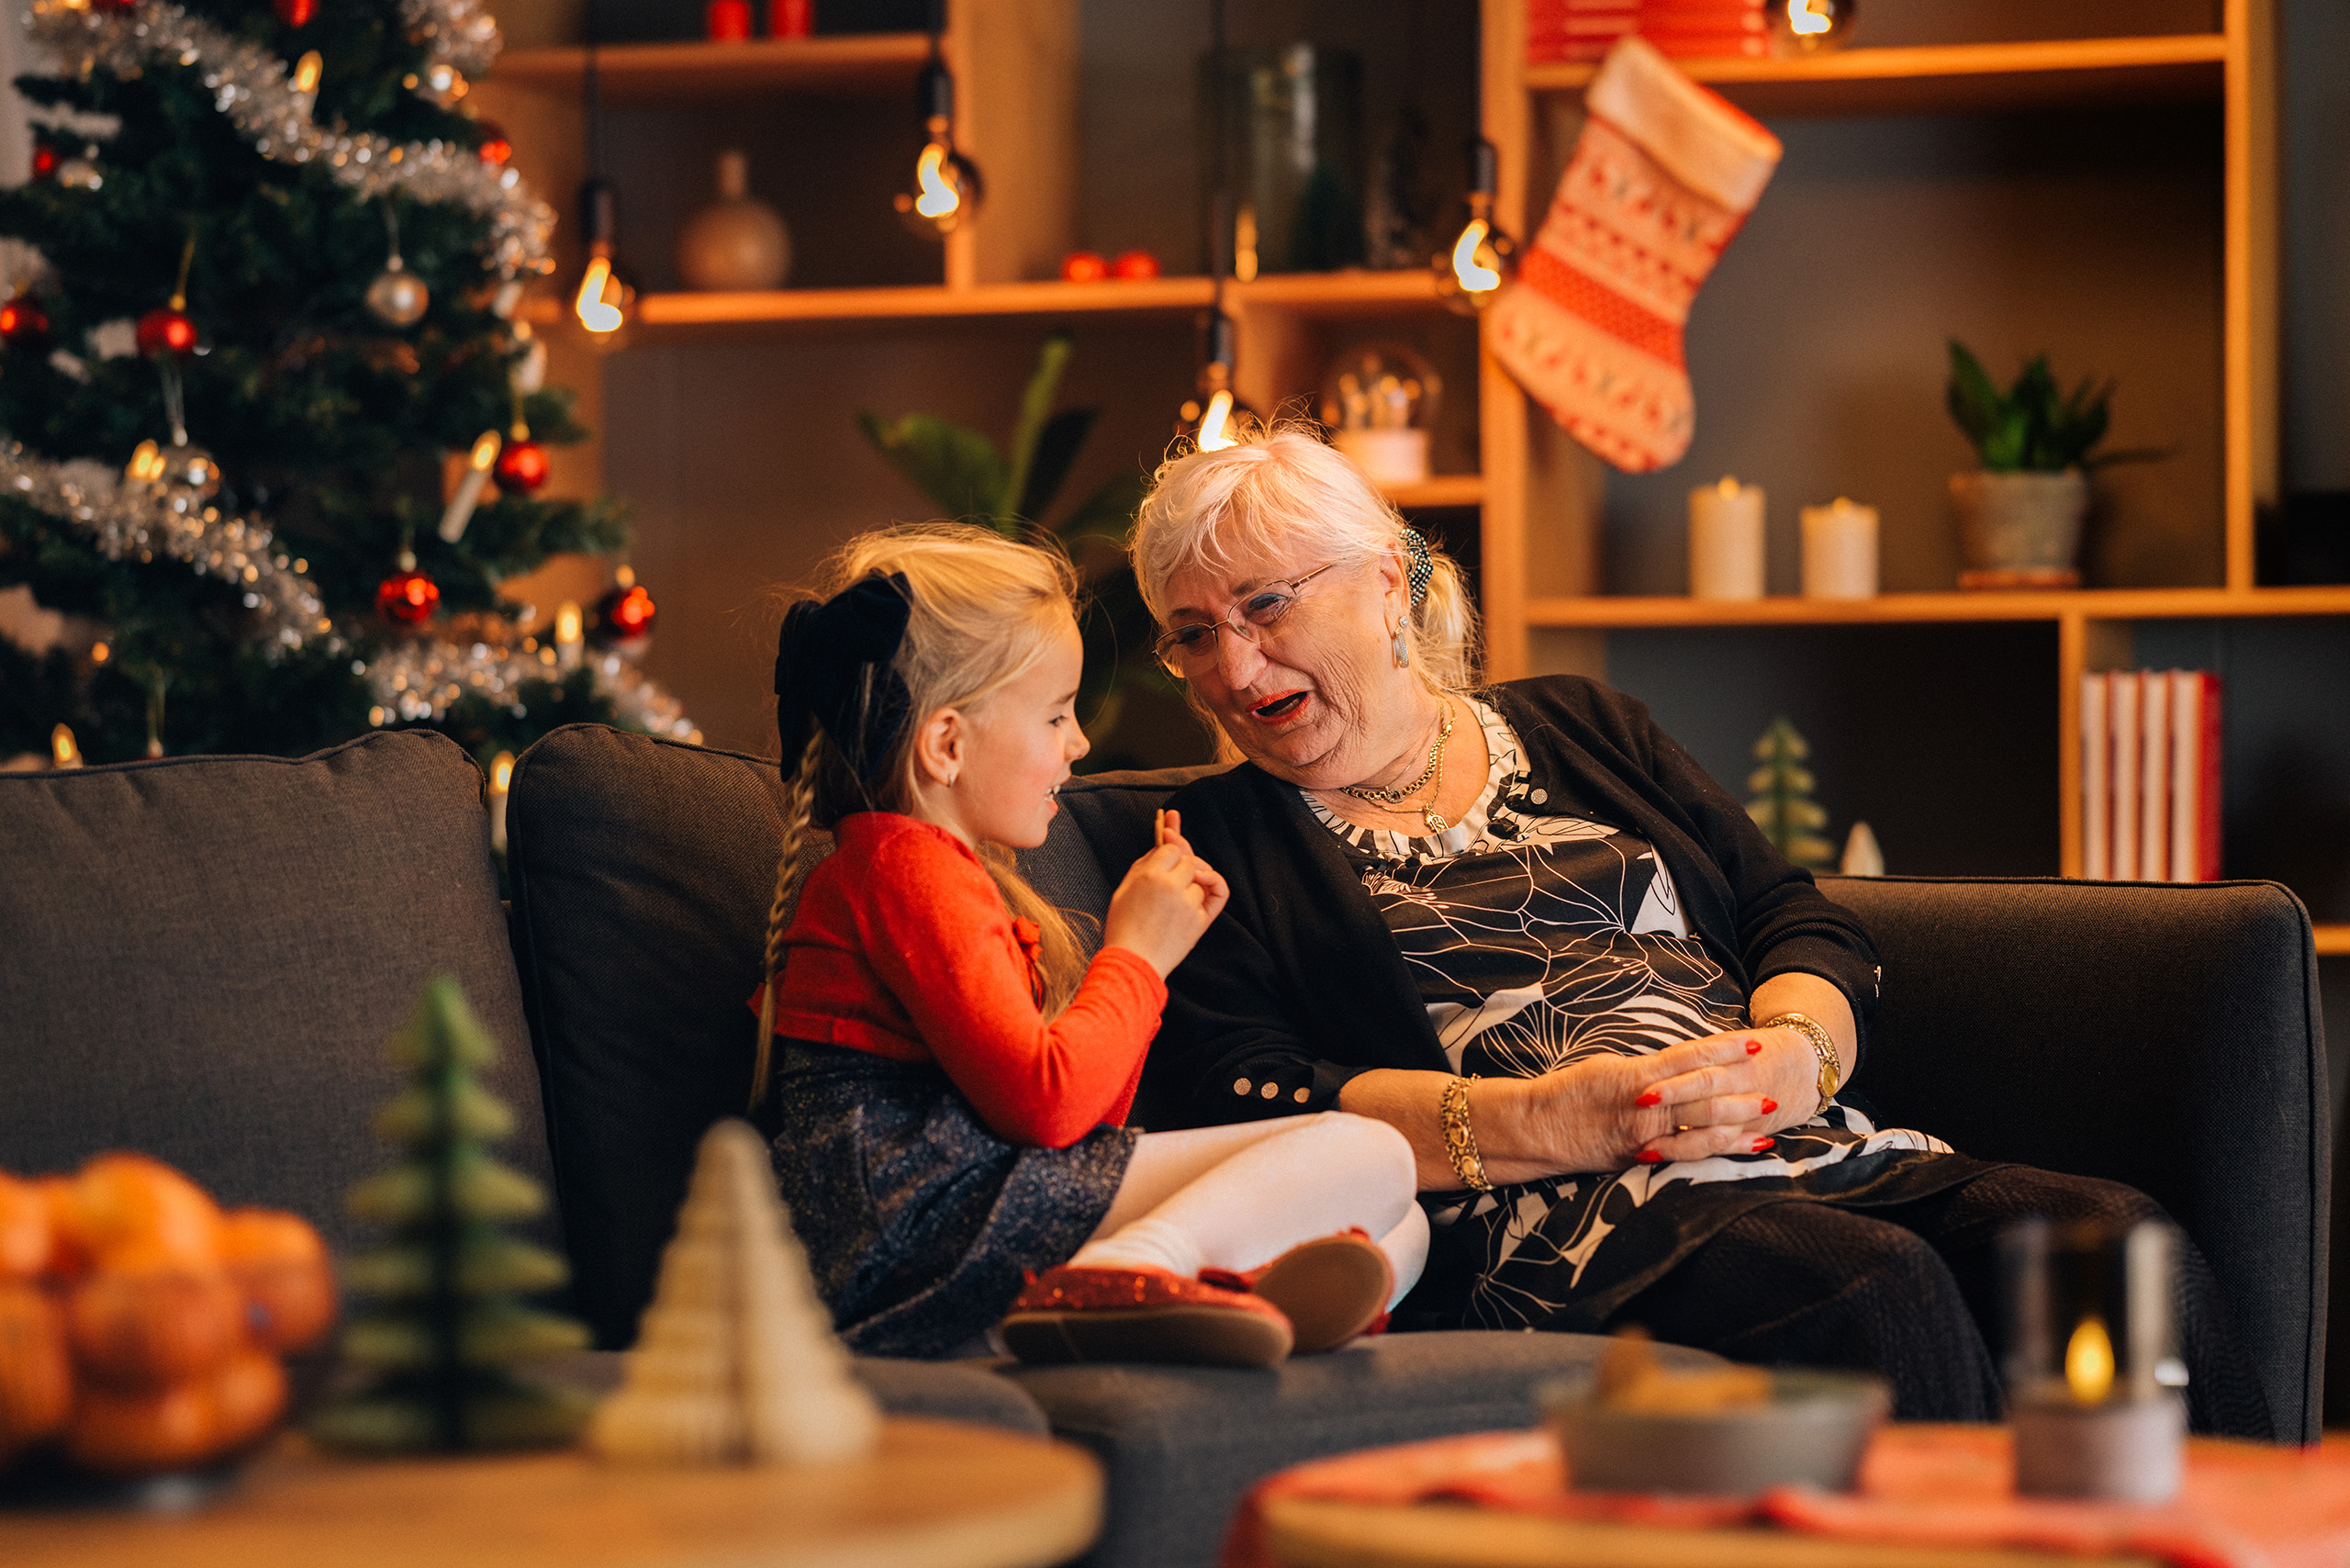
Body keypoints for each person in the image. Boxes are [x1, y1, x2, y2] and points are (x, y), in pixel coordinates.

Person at [1126, 427, 2271, 1437]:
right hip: (1543, 1220)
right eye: (1191, 635)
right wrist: (1550, 1119)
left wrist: (1797, 1056)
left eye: (1265, 605)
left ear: (1385, 582)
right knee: (1868, 1289)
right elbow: (1243, 1093)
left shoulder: (1581, 723)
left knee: (2113, 1242)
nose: (1231, 666)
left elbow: (1791, 915)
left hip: (1787, 1148)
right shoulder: (1214, 842)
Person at [751, 522, 1428, 1367]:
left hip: (958, 1223)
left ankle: (1171, 1305)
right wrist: (1137, 956)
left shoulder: (929, 872)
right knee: (1370, 1149)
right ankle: (1131, 1272)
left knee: (1404, 1227)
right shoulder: (904, 870)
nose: (1078, 744)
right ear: (948, 745)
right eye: (1055, 715)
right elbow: (1048, 1108)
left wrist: (1151, 957)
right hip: (911, 1236)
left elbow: (1073, 1132)